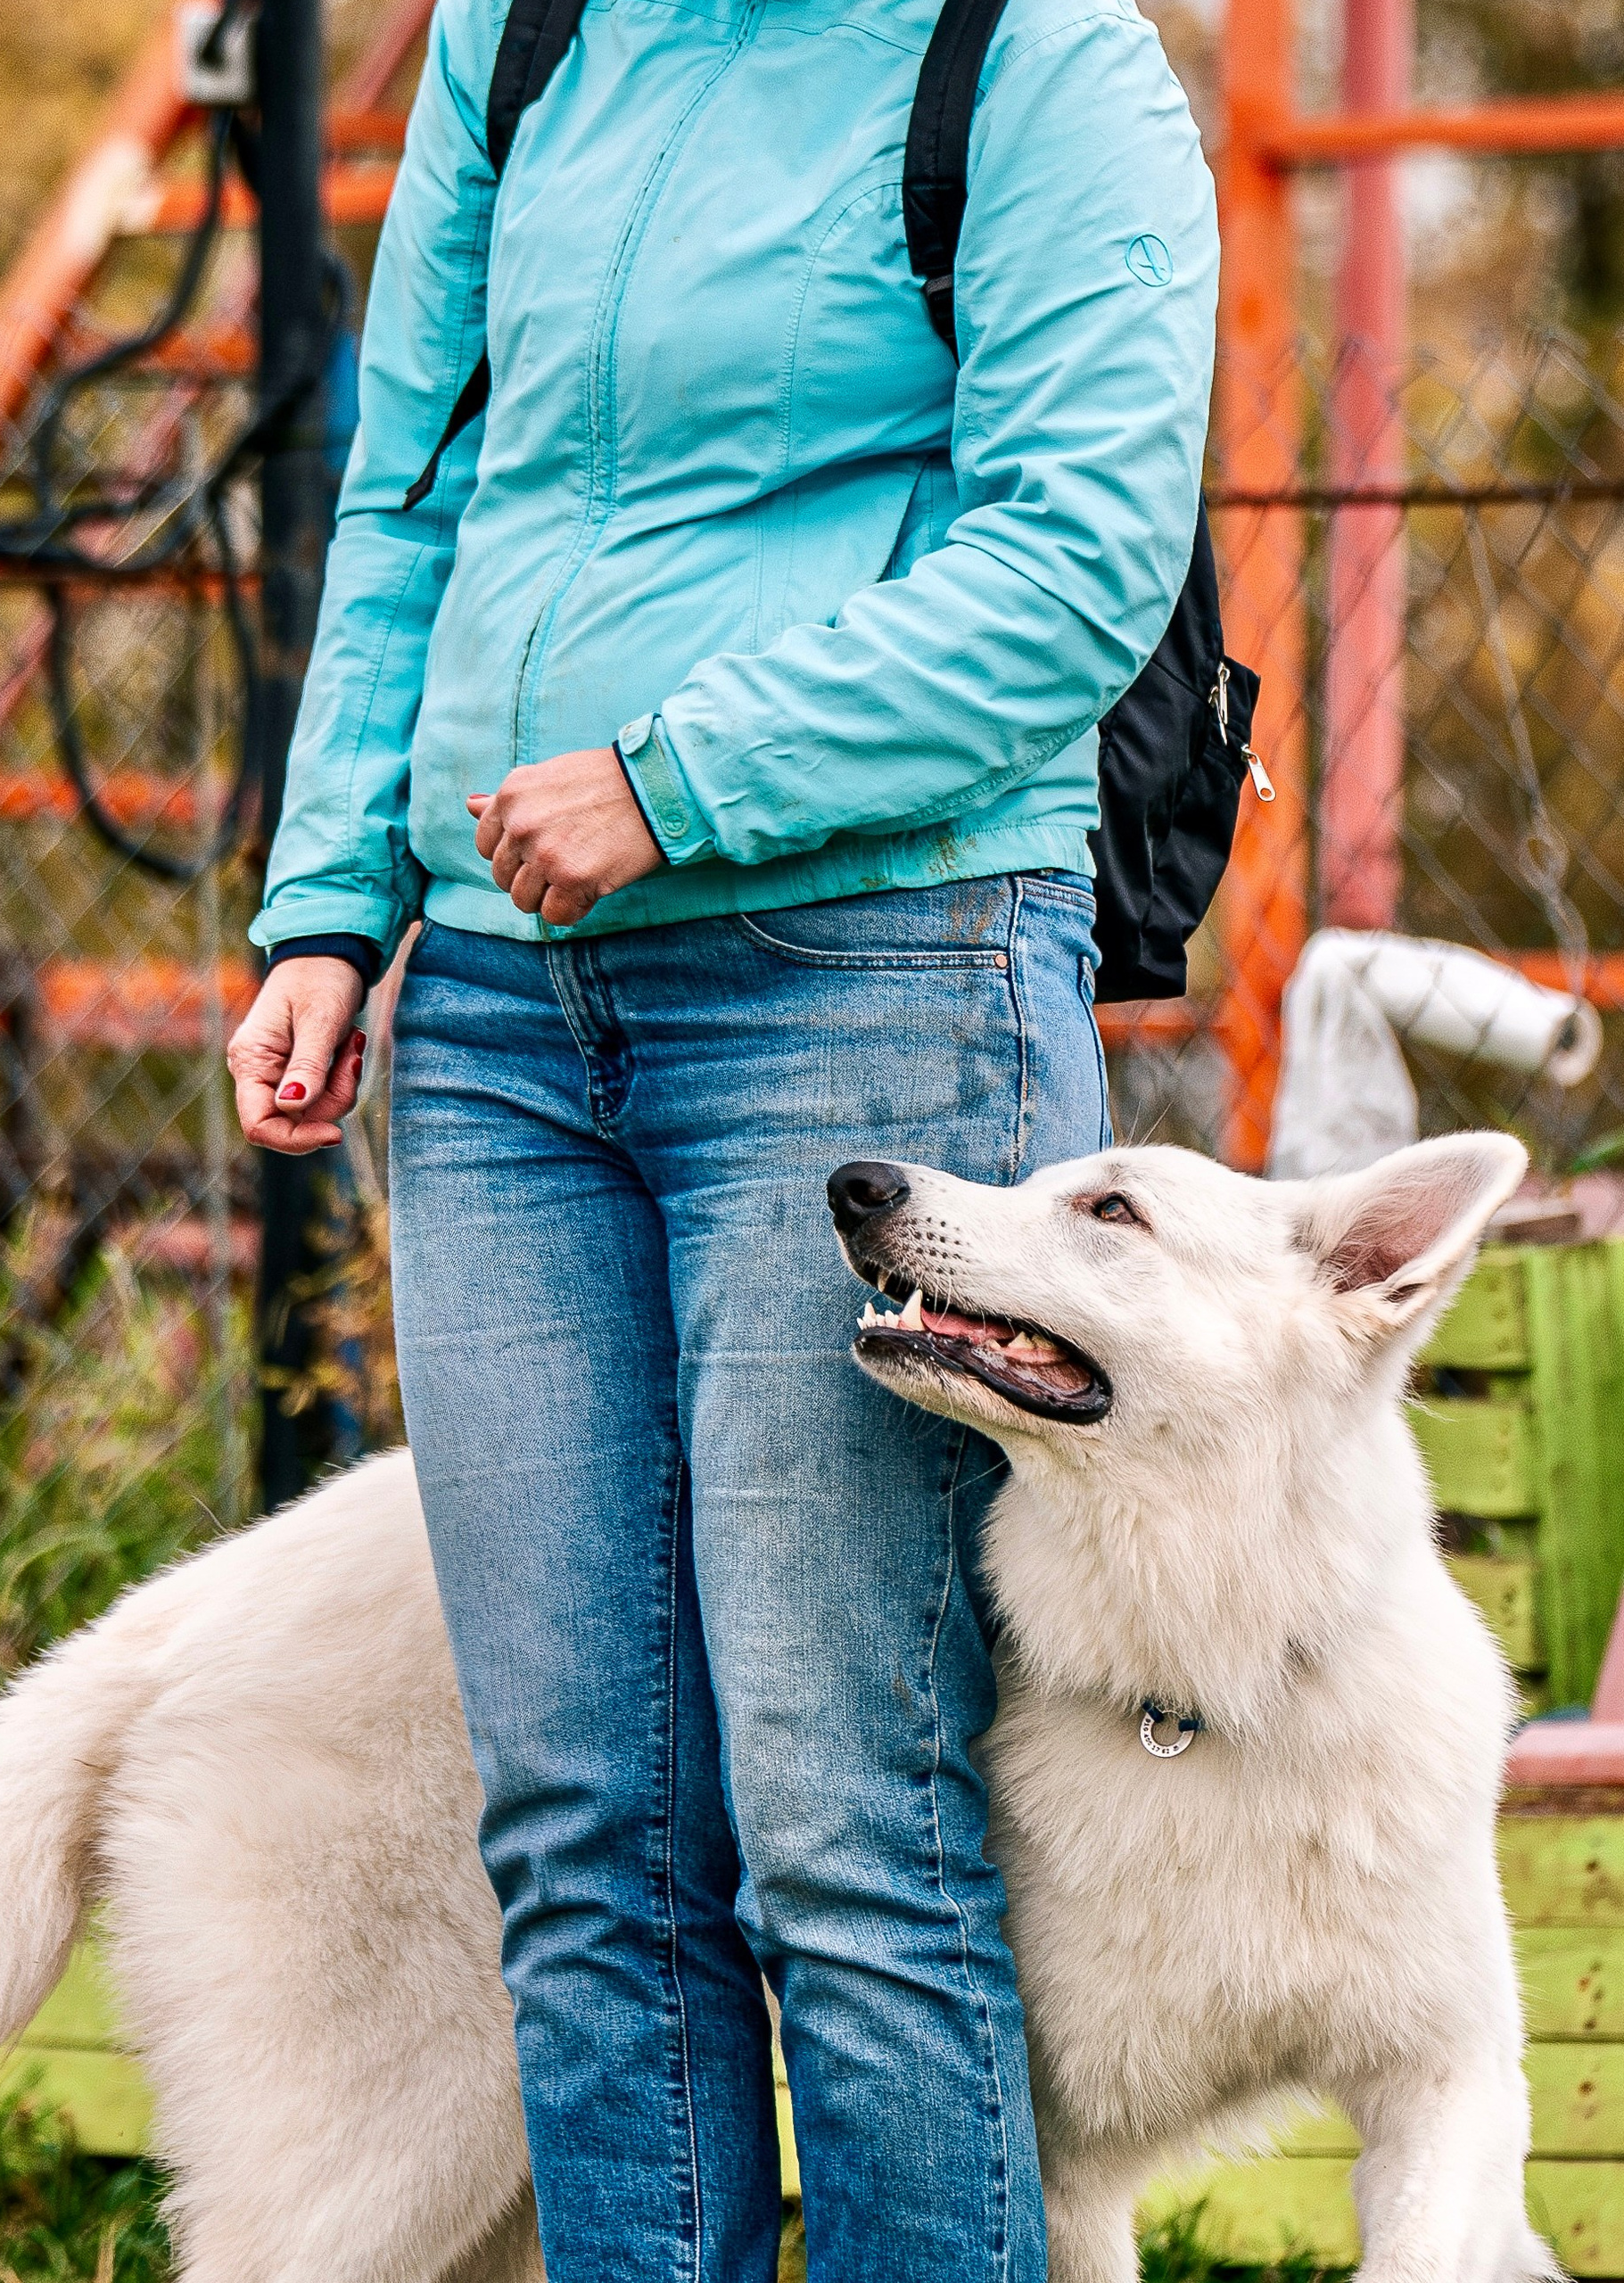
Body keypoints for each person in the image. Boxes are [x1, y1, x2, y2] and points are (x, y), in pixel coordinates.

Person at [227, 0, 1216, 2271]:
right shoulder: (518, 33)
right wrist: (326, 901)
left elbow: (1071, 567)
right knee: (586, 1838)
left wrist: (680, 774)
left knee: (846, 1831)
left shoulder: (1037, 61)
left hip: (866, 981)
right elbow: (408, 486)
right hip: (488, 1014)